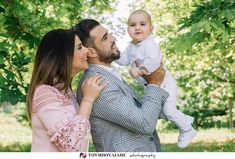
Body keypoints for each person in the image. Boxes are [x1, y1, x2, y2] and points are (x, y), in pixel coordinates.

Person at [74, 19, 169, 152]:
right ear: (92, 52)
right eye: (105, 38)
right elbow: (144, 123)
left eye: (109, 34)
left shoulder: (108, 75)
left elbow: (143, 114)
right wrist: (154, 83)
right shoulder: (98, 83)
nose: (114, 38)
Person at [115, 9, 196, 148]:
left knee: (169, 111)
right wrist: (114, 53)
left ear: (151, 29)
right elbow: (123, 60)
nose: (137, 27)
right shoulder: (131, 47)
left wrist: (139, 70)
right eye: (132, 25)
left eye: (142, 24)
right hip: (152, 84)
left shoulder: (149, 44)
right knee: (161, 111)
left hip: (165, 82)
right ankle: (183, 120)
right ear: (128, 29)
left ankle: (188, 129)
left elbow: (154, 61)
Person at [26, 29, 108, 152]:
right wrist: (88, 99)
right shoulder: (44, 93)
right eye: (80, 47)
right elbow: (70, 144)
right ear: (63, 56)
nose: (87, 50)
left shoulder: (65, 91)